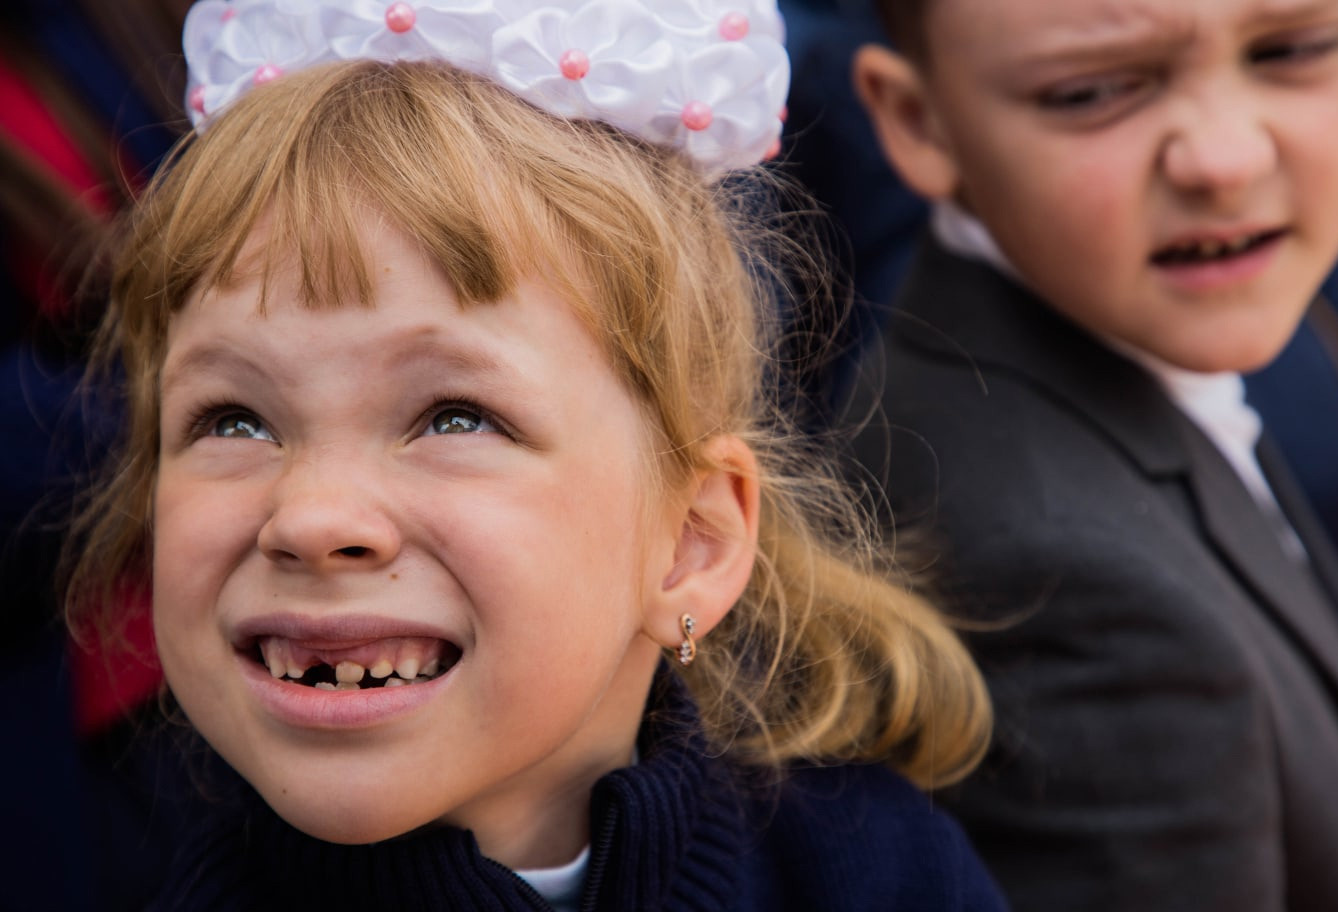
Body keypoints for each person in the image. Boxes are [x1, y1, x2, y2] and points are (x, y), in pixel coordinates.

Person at [62, 2, 1008, 909]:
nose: (311, 519)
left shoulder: (880, 874)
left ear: (690, 543)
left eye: (455, 418)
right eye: (233, 421)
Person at [848, 0, 1338, 909]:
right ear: (917, 121)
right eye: (1091, 92)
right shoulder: (1069, 592)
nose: (1225, 158)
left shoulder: (1129, 338)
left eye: (1292, 49)